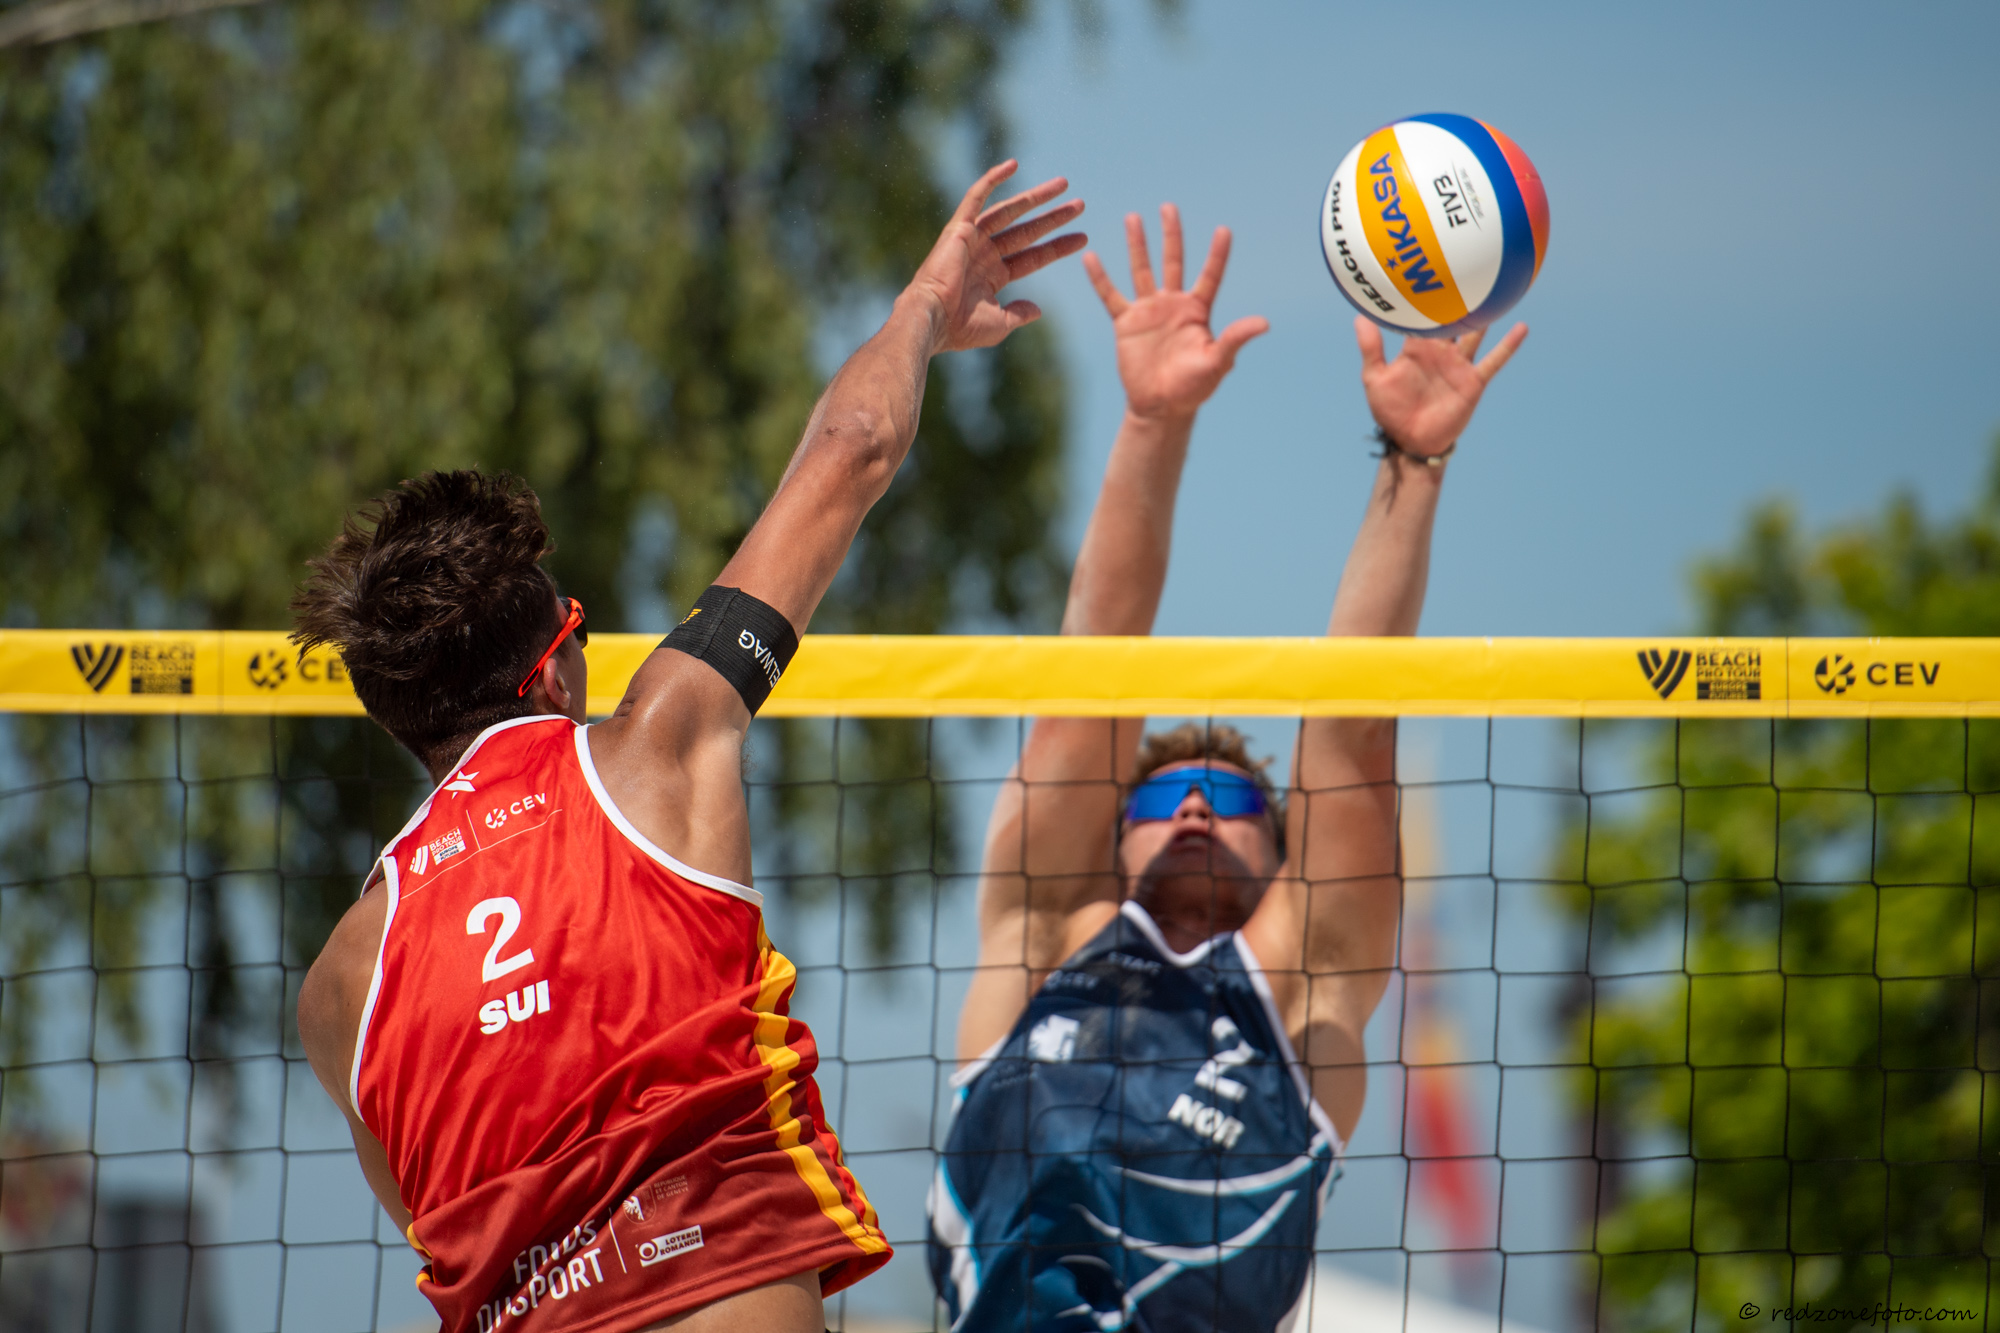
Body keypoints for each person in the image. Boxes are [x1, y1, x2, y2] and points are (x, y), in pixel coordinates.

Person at [291, 161, 1086, 1333]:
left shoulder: (340, 989)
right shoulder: (655, 750)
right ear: (554, 665)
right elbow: (852, 445)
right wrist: (924, 303)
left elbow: (440, 1222)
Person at [927, 205, 1527, 1332]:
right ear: (1111, 840)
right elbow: (1090, 678)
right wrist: (1152, 421)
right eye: (1161, 793)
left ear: (1282, 851)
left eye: (1235, 796)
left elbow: (1351, 732)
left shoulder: (1300, 1000)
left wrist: (1414, 464)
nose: (1196, 800)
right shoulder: (1045, 938)